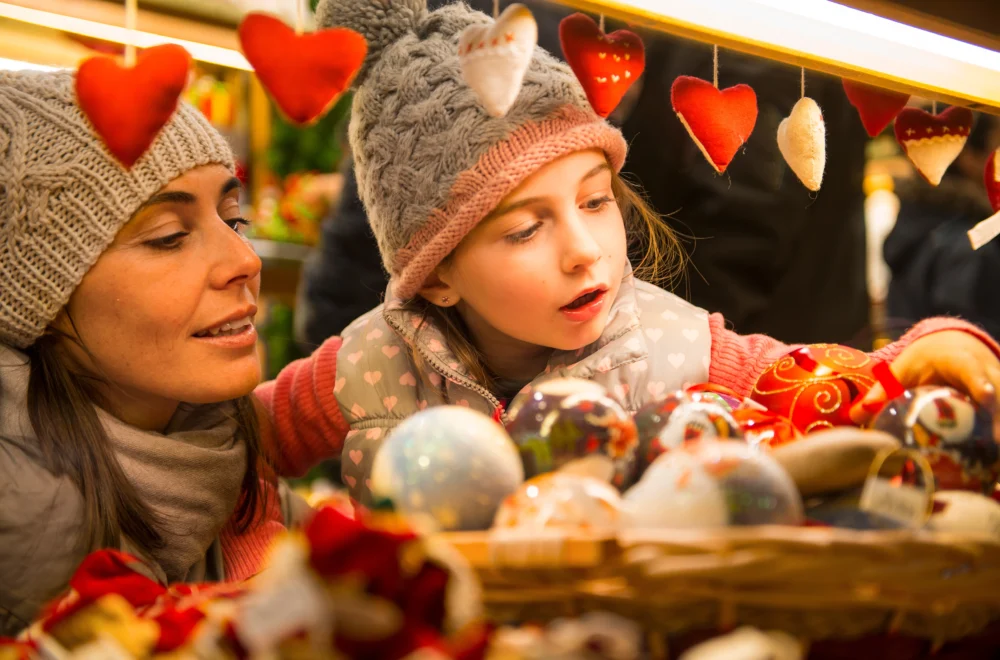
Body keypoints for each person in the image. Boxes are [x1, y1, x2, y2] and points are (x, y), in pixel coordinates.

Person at [256, 0, 1000, 506]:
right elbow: (233, 446)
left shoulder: (676, 345)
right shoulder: (366, 367)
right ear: (437, 273)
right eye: (523, 229)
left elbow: (825, 385)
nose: (586, 253)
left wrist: (925, 349)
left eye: (596, 200)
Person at [295, 1, 871, 347]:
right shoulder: (510, 27)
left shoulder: (749, 38)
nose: (579, 245)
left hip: (759, 364)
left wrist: (631, 360)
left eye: (596, 203)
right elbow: (406, 177)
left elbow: (742, 231)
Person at [0, 71, 294, 636]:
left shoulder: (221, 451)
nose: (245, 260)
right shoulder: (32, 530)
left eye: (235, 220)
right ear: (41, 297)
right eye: (168, 235)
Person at [885, 113, 1000, 340]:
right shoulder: (970, 245)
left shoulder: (921, 221)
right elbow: (975, 346)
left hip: (913, 370)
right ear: (969, 157)